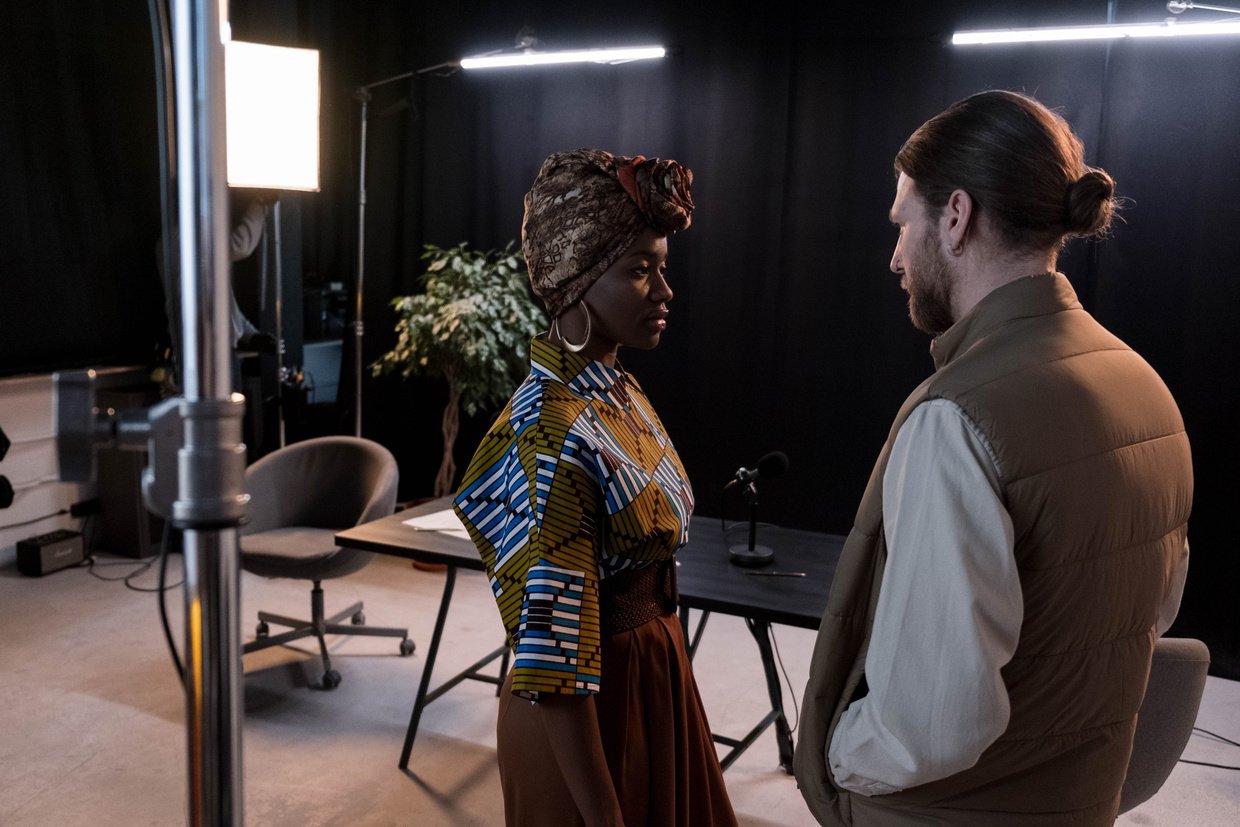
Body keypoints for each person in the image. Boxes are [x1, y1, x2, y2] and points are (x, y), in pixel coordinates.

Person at [794, 90, 1193, 826]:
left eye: (901, 225)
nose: (894, 257)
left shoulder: (955, 417)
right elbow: (1148, 611)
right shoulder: (1146, 387)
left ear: (955, 217)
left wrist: (835, 754)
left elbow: (932, 722)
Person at [453, 149, 737, 827]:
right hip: (585, 718)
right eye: (640, 270)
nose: (665, 290)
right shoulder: (545, 431)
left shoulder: (617, 389)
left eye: (662, 267)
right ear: (575, 282)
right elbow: (551, 662)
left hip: (651, 679)